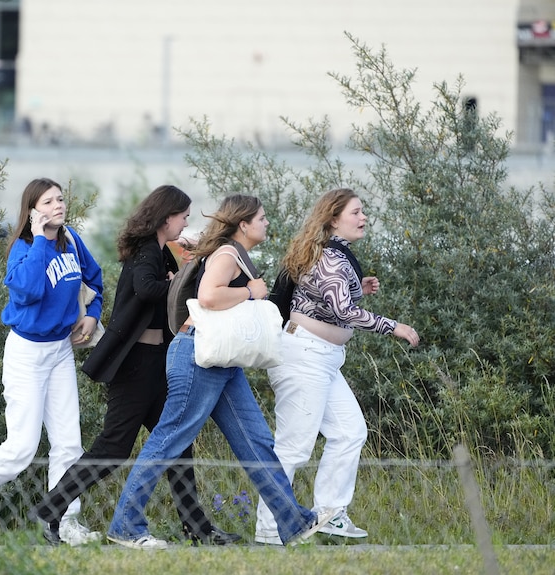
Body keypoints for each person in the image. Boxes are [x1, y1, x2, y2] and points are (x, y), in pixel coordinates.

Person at [106, 194, 338, 549]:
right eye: (261, 218)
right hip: (198, 356)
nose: (266, 223)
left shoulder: (231, 253)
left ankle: (293, 521)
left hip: (222, 361)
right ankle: (125, 524)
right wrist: (249, 291)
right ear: (243, 224)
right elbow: (208, 296)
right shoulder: (229, 254)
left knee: (256, 440)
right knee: (168, 439)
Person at [28, 185, 240, 546]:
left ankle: (197, 528)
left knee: (177, 446)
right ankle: (50, 510)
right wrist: (174, 284)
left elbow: (171, 289)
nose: (185, 221)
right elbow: (145, 289)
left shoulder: (161, 252)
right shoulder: (146, 252)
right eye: (183, 216)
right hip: (134, 367)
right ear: (166, 217)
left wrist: (186, 266)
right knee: (113, 447)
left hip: (156, 364)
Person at [254, 187, 420, 545]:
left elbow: (326, 297)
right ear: (333, 219)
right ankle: (269, 529)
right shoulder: (331, 257)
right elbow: (343, 312)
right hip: (304, 356)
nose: (363, 218)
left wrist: (358, 286)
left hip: (323, 359)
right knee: (294, 447)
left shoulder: (335, 256)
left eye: (363, 212)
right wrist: (395, 327)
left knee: (350, 432)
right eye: (356, 212)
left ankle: (329, 515)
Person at [0, 178, 104, 546]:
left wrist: (92, 315)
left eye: (60, 199)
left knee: (69, 444)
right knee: (21, 447)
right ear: (32, 211)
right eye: (48, 202)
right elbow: (30, 291)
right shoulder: (23, 249)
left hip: (60, 351)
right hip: (27, 354)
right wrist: (41, 241)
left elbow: (94, 281)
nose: (58, 206)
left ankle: (64, 521)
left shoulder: (73, 241)